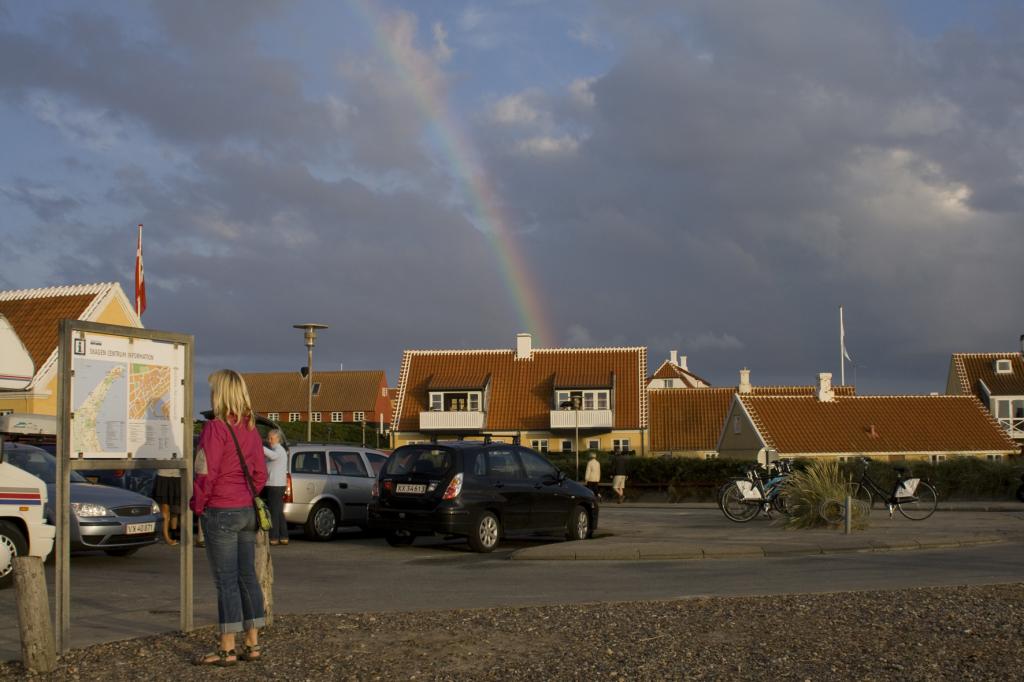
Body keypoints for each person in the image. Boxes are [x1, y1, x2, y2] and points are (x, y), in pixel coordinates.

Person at [190, 369, 268, 666]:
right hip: (247, 509)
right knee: (247, 576)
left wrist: (198, 505)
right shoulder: (251, 429)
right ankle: (253, 643)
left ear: (220, 394)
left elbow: (204, 472)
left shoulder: (215, 428)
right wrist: (245, 495)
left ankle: (227, 647)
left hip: (221, 510)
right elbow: (260, 473)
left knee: (226, 582)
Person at [263, 428, 288, 546]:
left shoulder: (279, 450)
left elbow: (273, 456)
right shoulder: (274, 450)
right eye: (268, 438)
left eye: (271, 438)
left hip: (275, 485)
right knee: (278, 511)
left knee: (274, 511)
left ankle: (274, 537)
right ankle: (283, 536)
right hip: (275, 484)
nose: (269, 440)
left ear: (277, 439)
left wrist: (259, 447)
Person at [152, 467, 181, 545]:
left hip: (177, 476)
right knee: (165, 509)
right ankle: (166, 537)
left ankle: (173, 533)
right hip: (163, 476)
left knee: (175, 508)